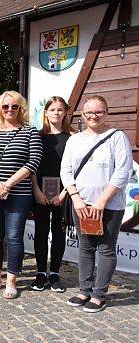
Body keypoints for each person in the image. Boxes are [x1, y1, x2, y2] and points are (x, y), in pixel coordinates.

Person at [61, 95, 132, 313]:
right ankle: (84, 290)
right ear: (82, 114)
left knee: (106, 249)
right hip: (81, 204)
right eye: (89, 112)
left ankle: (99, 295)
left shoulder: (117, 137)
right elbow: (66, 171)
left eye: (99, 111)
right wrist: (76, 198)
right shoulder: (74, 140)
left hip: (109, 206)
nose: (94, 115)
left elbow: (123, 171)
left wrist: (101, 201)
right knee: (85, 247)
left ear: (106, 113)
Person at [0, 90, 42, 299]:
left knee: (14, 237)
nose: (10, 110)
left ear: (21, 108)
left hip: (19, 194)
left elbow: (33, 162)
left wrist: (8, 184)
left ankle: (11, 281)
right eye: (5, 106)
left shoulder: (30, 132)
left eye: (14, 106)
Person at [30, 97, 73, 293]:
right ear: (45, 112)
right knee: (40, 232)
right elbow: (31, 167)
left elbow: (76, 169)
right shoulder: (36, 137)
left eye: (60, 109)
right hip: (39, 192)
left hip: (63, 194)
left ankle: (54, 273)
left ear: (65, 113)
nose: (56, 113)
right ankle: (40, 273)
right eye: (52, 109)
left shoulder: (73, 138)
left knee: (58, 232)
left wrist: (64, 193)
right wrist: (36, 190)